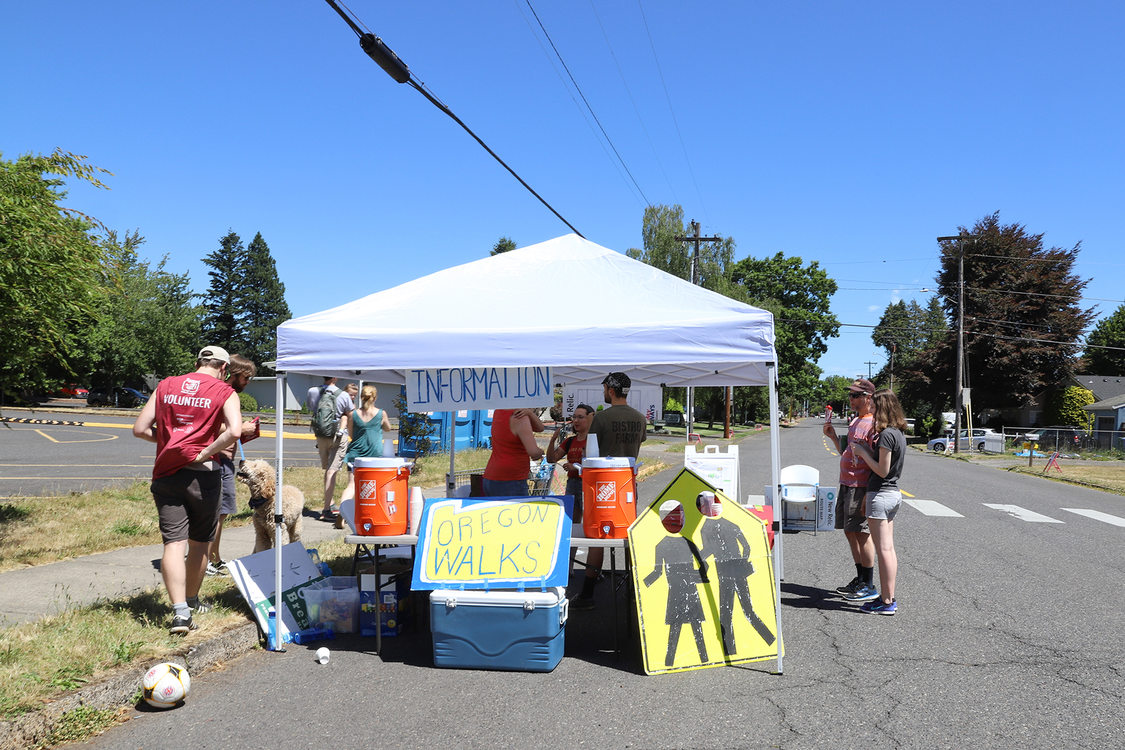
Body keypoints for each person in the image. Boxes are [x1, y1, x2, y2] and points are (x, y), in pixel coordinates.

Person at [132, 345, 242, 635]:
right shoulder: (223, 391)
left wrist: (170, 444)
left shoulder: (166, 385)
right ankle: (191, 601)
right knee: (199, 543)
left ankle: (180, 612)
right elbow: (235, 431)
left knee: (173, 544)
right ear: (223, 368)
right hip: (203, 477)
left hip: (166, 473)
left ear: (197, 362)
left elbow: (140, 429)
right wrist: (205, 452)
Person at [573, 372, 648, 608]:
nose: (604, 392)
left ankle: (587, 594)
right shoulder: (639, 418)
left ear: (611, 390)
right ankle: (633, 590)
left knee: (598, 536)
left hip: (603, 484)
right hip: (627, 483)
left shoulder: (602, 419)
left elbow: (591, 454)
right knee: (627, 533)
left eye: (605, 388)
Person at [850, 388, 907, 616]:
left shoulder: (886, 435)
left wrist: (863, 452)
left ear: (883, 408)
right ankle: (888, 598)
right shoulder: (898, 433)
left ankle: (886, 601)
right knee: (888, 549)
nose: (871, 411)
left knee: (883, 550)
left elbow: (882, 471)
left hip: (882, 493)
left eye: (873, 407)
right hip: (892, 494)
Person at [822, 377, 878, 603]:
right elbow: (846, 451)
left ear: (868, 397)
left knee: (863, 534)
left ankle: (869, 583)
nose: (851, 398)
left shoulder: (873, 424)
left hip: (860, 486)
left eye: (856, 395)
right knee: (849, 530)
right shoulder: (856, 421)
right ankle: (860, 577)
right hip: (846, 484)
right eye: (851, 394)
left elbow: (877, 460)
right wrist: (833, 437)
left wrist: (868, 493)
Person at [207, 353, 260, 576]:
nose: (247, 383)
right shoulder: (221, 393)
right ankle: (207, 560)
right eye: (246, 378)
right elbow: (208, 425)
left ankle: (214, 557)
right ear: (235, 374)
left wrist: (241, 431)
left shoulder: (224, 393)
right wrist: (240, 429)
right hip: (218, 459)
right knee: (217, 512)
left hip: (224, 458)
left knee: (222, 512)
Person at [305, 377, 355, 521]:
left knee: (327, 469)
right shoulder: (344, 395)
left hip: (320, 435)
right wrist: (351, 434)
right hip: (338, 435)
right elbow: (350, 416)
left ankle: (330, 502)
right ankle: (326, 509)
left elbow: (311, 408)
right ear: (335, 378)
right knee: (332, 471)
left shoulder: (313, 391)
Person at [337, 384, 394, 508]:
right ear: (375, 397)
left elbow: (351, 434)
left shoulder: (353, 414)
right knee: (374, 484)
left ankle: (343, 509)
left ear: (361, 397)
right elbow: (388, 428)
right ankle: (369, 509)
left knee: (352, 485)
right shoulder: (381, 413)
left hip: (355, 453)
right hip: (374, 454)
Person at [546, 403, 594, 525]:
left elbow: (596, 463)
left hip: (588, 485)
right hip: (572, 484)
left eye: (580, 417)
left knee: (590, 519)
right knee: (571, 521)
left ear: (590, 418)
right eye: (574, 417)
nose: (576, 421)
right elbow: (552, 459)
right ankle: (573, 544)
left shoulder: (594, 441)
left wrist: (576, 467)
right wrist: (552, 441)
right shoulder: (570, 441)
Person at [482, 408, 545, 496]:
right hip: (512, 478)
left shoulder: (499, 411)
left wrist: (530, 414)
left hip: (491, 476)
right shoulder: (520, 416)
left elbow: (540, 428)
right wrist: (541, 452)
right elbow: (533, 452)